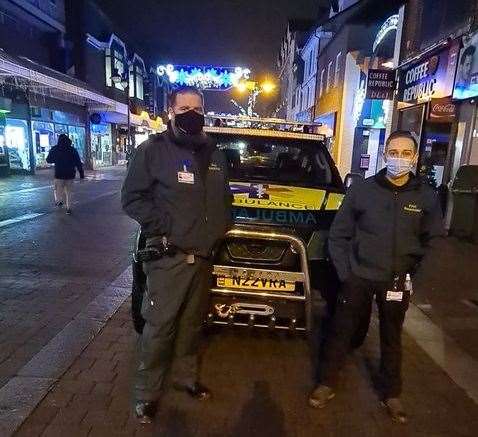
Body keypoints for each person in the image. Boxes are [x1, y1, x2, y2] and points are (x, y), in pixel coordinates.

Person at [309, 131, 444, 424]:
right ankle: (326, 383)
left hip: (396, 280)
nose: (399, 158)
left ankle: (392, 393)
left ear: (415, 157)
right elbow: (339, 234)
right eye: (394, 152)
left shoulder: (426, 196)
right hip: (359, 275)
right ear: (384, 155)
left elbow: (435, 240)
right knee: (341, 331)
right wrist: (346, 273)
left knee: (392, 337)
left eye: (406, 153)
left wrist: (415, 279)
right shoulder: (363, 190)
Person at [121, 85, 232, 424]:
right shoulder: (152, 150)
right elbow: (133, 199)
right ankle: (147, 395)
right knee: (159, 329)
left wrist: (221, 227)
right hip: (169, 258)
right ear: (170, 111)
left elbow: (223, 198)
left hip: (202, 258)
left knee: (191, 326)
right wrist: (166, 227)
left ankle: (186, 379)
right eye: (183, 107)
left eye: (196, 107)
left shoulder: (215, 153)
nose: (190, 113)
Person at [46, 134, 84, 215]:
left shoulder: (55, 149)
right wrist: (81, 174)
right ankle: (68, 208)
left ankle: (59, 201)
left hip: (59, 174)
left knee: (57, 189)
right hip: (70, 174)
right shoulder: (72, 149)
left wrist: (56, 159)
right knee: (69, 192)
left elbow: (48, 160)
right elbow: (78, 162)